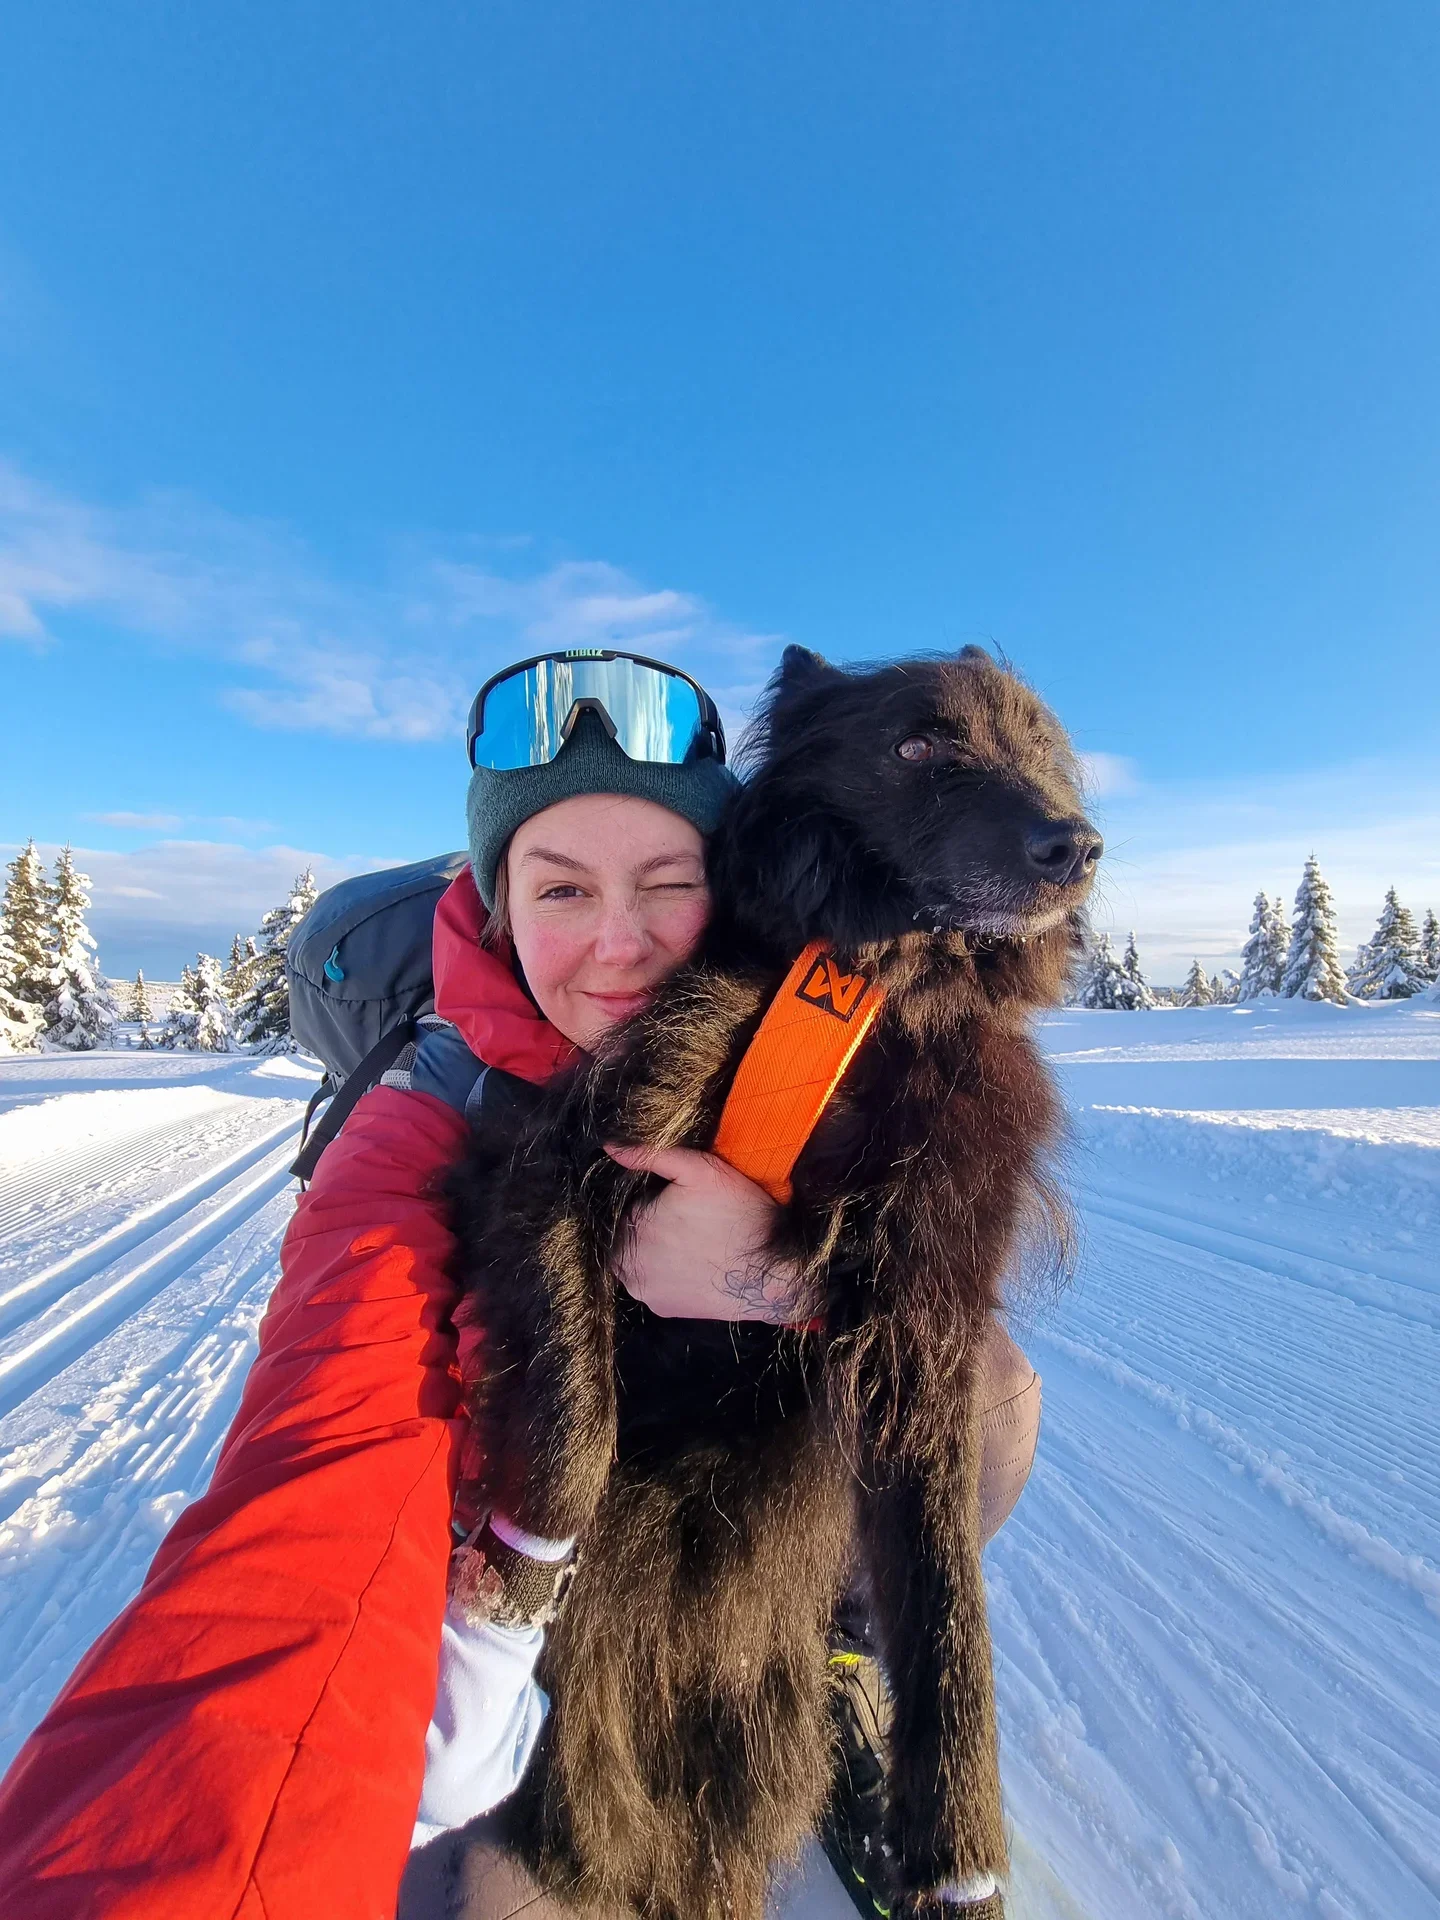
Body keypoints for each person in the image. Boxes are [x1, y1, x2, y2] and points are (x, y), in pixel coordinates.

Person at [0, 651, 1041, 1920]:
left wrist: (789, 1282)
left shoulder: (791, 1026)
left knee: (985, 1390)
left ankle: (836, 1643)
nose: (619, 944)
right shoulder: (423, 1118)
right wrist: (470, 1650)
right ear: (496, 907)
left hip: (758, 1492)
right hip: (529, 1575)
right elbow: (324, 1454)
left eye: (670, 883)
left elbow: (916, 1297)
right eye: (560, 891)